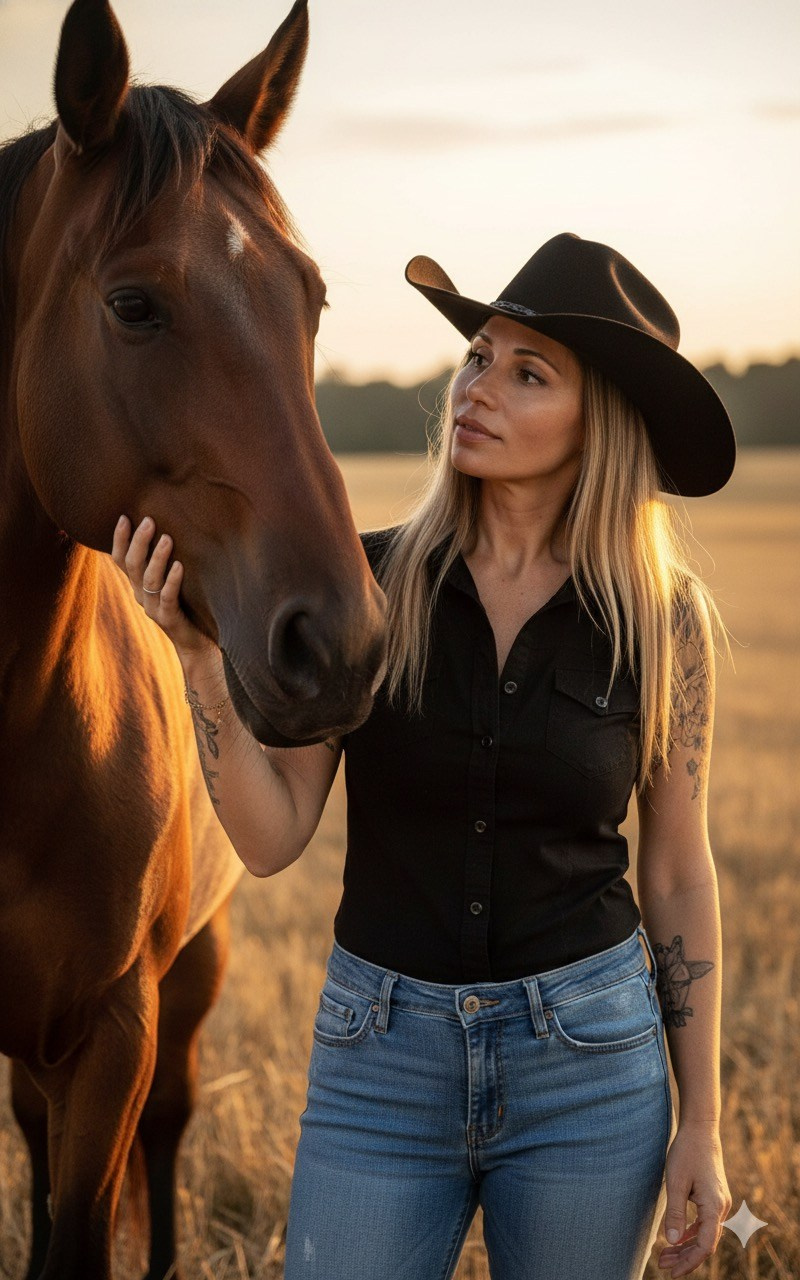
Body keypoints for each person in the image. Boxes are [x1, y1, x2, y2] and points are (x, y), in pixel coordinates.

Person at [113, 231, 735, 1280]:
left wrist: (702, 1121)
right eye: (475, 357)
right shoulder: (371, 586)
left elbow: (674, 866)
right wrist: (198, 662)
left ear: (600, 425)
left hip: (590, 1066)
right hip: (379, 1062)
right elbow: (269, 840)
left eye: (525, 372)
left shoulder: (658, 621)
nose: (476, 387)